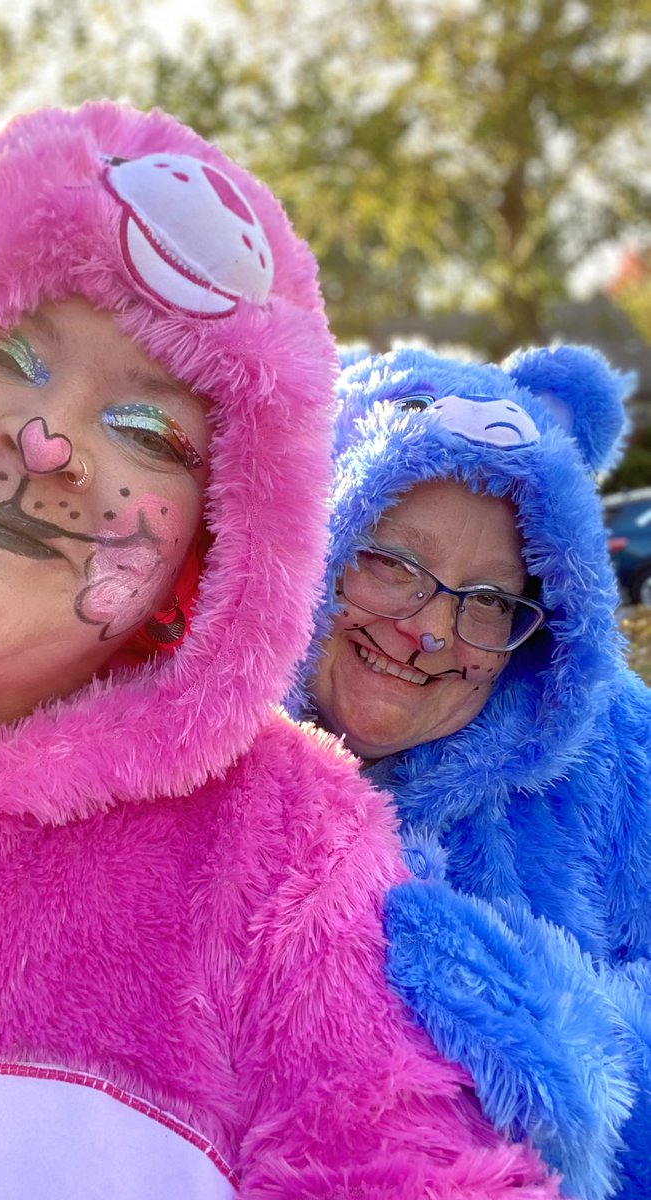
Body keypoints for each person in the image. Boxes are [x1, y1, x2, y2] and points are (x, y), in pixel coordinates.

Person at [0, 103, 563, 1197]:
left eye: (150, 434)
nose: (48, 446)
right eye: (4, 351)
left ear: (212, 547)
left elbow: (394, 1154)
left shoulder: (286, 846)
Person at [292, 344, 651, 1199]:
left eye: (488, 599)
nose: (432, 632)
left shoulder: (609, 758)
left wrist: (540, 1030)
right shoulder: (165, 760)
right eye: (391, 562)